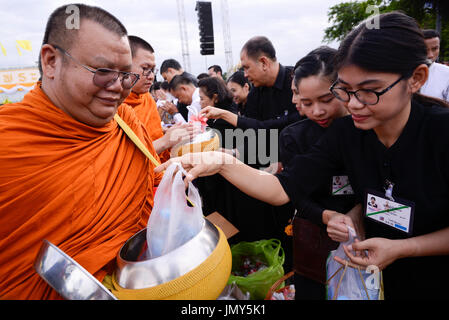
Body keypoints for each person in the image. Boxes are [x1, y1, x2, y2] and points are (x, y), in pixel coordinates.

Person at [156, 12, 449, 300]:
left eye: (369, 91)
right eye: (345, 91)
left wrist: (405, 248)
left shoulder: (439, 132)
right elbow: (284, 187)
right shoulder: (347, 133)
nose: (355, 104)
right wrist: (223, 162)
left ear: (416, 79)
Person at [0, 4, 163, 299]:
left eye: (127, 75)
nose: (117, 87)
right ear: (51, 61)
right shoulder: (8, 143)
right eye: (102, 72)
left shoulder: (127, 126)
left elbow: (147, 197)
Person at [277, 46, 359, 300]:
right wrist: (327, 216)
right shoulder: (294, 136)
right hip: (313, 237)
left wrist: (357, 216)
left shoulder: (365, 129)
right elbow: (292, 194)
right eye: (307, 103)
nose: (317, 111)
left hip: (363, 238)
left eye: (326, 100)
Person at [201, 36, 302, 168]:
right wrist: (234, 153)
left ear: (264, 63)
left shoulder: (296, 82)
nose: (245, 75)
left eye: (247, 68)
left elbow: (275, 126)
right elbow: (254, 133)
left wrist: (224, 115)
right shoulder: (255, 93)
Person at [124, 35, 194, 163]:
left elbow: (150, 133)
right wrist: (166, 141)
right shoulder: (112, 106)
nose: (151, 76)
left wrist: (166, 132)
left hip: (158, 167)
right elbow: (122, 157)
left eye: (152, 70)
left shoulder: (147, 99)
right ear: (123, 65)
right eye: (145, 69)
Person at [420, 29, 449, 102]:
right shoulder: (403, 71)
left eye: (435, 49)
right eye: (425, 49)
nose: (430, 55)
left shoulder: (447, 73)